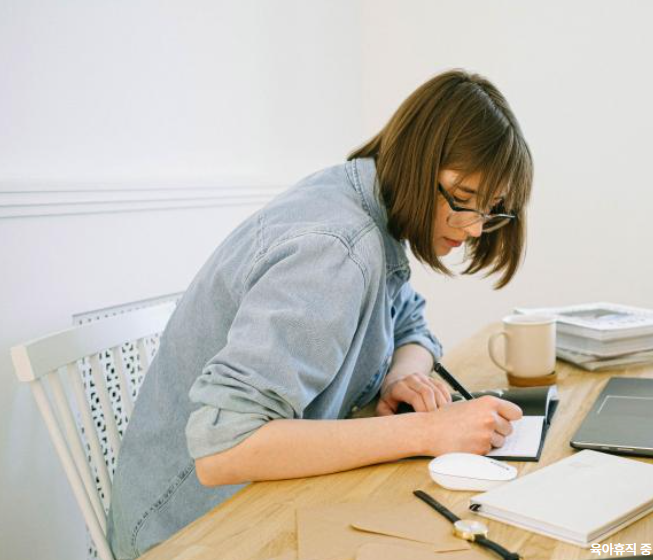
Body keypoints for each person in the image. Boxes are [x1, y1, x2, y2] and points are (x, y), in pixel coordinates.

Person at [108, 69, 534, 559]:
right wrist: (430, 430)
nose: (476, 228)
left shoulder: (369, 205)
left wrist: (403, 377)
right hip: (191, 530)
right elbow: (223, 448)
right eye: (463, 201)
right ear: (420, 161)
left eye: (491, 210)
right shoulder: (336, 248)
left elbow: (410, 321)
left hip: (261, 499)